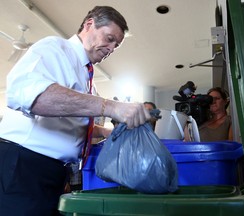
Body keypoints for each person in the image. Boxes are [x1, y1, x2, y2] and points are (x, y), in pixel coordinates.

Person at [0, 6, 150, 216]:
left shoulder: (87, 78)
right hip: (24, 166)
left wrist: (105, 132)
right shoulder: (55, 49)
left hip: (55, 173)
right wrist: (110, 106)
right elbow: (27, 94)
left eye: (115, 46)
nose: (110, 48)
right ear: (89, 24)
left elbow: (72, 123)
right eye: (109, 38)